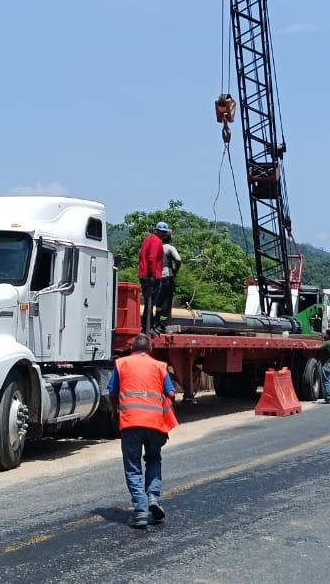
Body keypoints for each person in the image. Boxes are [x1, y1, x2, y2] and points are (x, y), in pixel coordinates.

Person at [108, 333, 178, 529]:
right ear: (150, 350)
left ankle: (140, 510)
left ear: (132, 349)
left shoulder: (122, 364)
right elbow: (171, 393)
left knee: (133, 466)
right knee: (154, 459)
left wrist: (115, 413)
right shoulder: (159, 366)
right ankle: (153, 497)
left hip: (130, 422)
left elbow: (112, 393)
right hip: (155, 423)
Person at [138, 222, 170, 333]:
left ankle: (148, 326)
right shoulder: (157, 241)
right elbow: (152, 258)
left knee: (149, 302)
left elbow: (140, 255)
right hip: (150, 276)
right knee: (150, 303)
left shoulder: (148, 239)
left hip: (144, 274)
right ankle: (148, 327)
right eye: (163, 232)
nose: (163, 234)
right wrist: (154, 275)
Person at [155, 241, 181, 332]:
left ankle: (156, 322)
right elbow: (178, 259)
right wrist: (175, 270)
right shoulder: (169, 248)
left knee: (158, 301)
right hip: (167, 277)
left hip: (156, 278)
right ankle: (163, 324)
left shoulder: (156, 248)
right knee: (166, 301)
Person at [319, 330, 330, 404]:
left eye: (325, 334)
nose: (324, 334)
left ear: (328, 335)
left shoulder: (326, 343)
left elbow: (319, 348)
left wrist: (306, 346)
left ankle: (328, 398)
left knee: (326, 382)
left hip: (326, 364)